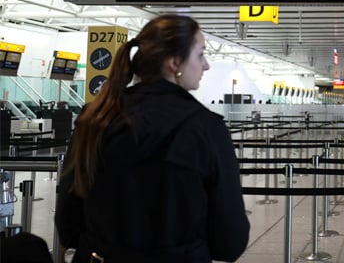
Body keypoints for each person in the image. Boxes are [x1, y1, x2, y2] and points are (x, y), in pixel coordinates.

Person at [55, 14, 250, 262]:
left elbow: (67, 223)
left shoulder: (96, 118)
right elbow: (230, 242)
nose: (206, 65)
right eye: (200, 54)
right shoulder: (207, 129)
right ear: (174, 63)